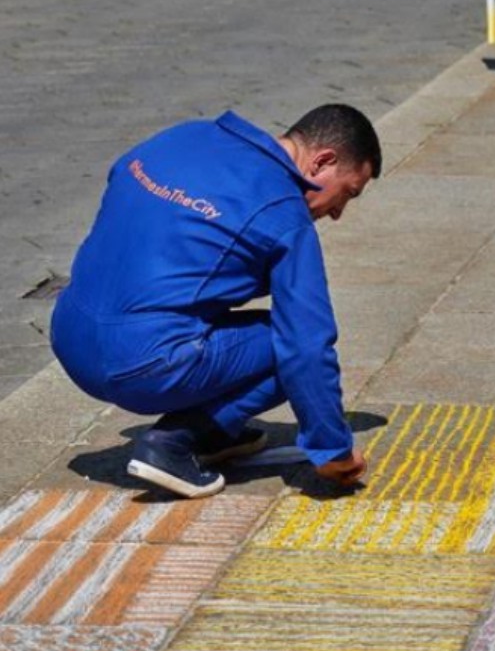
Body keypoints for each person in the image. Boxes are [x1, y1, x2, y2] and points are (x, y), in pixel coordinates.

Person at [50, 104, 381, 498]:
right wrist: (333, 450)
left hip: (68, 336)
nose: (339, 213)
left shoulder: (185, 136)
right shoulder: (283, 213)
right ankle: (172, 443)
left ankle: (217, 435)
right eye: (348, 193)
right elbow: (306, 344)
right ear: (322, 162)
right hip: (139, 365)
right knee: (287, 341)